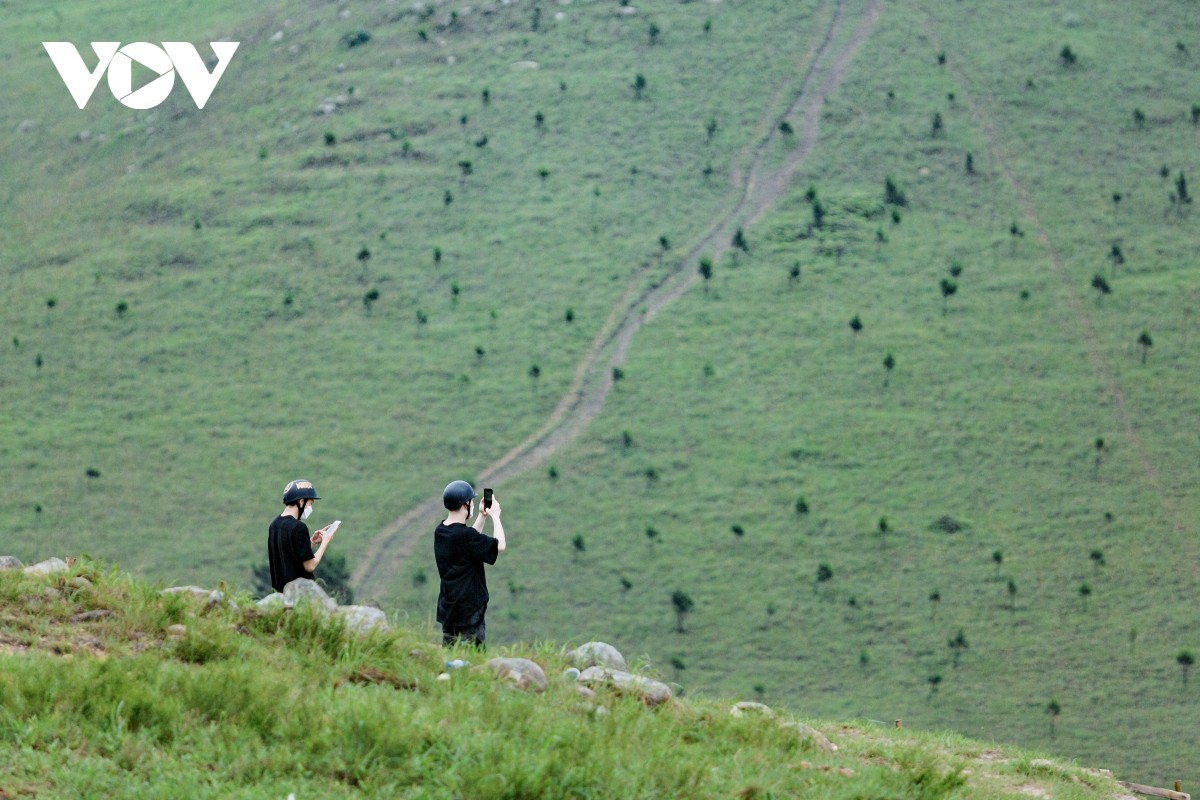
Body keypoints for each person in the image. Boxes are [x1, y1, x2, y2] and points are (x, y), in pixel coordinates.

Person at [434, 480, 506, 647]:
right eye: (471, 502)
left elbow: (467, 542)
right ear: (465, 505)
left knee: (451, 654)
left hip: (449, 609)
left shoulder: (441, 531)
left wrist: (481, 516)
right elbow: (500, 545)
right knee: (473, 654)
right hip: (469, 610)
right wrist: (495, 516)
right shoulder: (467, 537)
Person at [268, 479, 338, 593]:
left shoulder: (274, 525)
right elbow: (310, 566)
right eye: (310, 503)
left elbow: (290, 554)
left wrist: (311, 542)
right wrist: (325, 542)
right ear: (301, 502)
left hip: (280, 595)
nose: (310, 507)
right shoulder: (299, 527)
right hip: (299, 593)